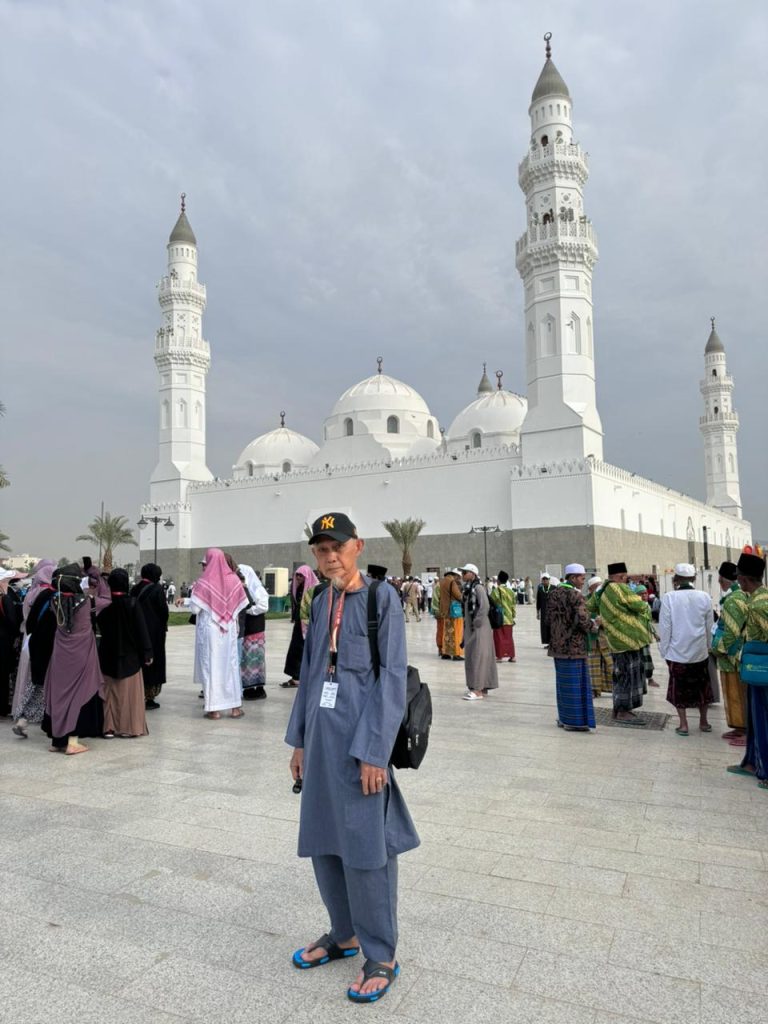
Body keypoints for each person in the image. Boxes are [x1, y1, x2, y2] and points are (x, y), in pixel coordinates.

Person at [286, 512, 419, 1004]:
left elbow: (392, 680)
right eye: (320, 551)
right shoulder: (321, 601)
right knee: (324, 841)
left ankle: (380, 954)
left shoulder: (381, 600)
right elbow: (310, 672)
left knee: (368, 853)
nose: (329, 558)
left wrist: (374, 753)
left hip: (362, 749)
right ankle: (343, 934)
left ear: (357, 546)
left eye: (336, 548)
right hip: (321, 745)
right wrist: (299, 741)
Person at [42, 564, 106, 754]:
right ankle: (72, 741)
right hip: (82, 654)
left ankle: (57, 740)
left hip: (60, 655)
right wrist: (96, 576)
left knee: (60, 695)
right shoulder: (88, 602)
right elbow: (108, 598)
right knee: (78, 695)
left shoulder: (55, 601)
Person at [588, 561, 651, 726]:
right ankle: (623, 712)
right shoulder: (620, 588)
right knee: (628, 677)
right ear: (622, 576)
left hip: (615, 641)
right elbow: (639, 605)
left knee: (620, 675)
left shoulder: (601, 590)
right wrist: (643, 605)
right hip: (629, 640)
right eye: (625, 577)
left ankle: (619, 709)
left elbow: (591, 606)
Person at [190, 549, 249, 720]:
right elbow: (241, 603)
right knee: (230, 666)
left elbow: (195, 608)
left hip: (210, 629)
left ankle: (213, 710)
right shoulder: (234, 579)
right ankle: (235, 708)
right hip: (228, 628)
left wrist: (191, 598)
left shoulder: (204, 581)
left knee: (211, 666)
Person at [659, 563, 714, 736]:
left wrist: (664, 651)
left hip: (677, 653)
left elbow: (665, 627)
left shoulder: (669, 598)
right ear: (694, 579)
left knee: (679, 689)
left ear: (675, 580)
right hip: (699, 652)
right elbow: (709, 626)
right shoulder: (704, 597)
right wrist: (709, 647)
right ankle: (703, 722)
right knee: (702, 687)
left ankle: (683, 725)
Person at [728, 552, 768, 790]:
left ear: (743, 580)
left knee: (762, 719)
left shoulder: (759, 605)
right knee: (755, 718)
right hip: (757, 669)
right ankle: (752, 762)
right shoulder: (761, 599)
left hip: (761, 669)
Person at [97, 569, 152, 738]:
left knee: (109, 693)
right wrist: (147, 653)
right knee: (129, 694)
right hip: (130, 656)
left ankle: (108, 727)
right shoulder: (133, 604)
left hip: (107, 655)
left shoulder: (104, 607)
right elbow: (142, 631)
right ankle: (129, 727)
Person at [547, 563, 596, 731]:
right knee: (576, 686)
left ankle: (564, 718)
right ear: (573, 578)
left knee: (563, 686)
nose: (583, 581)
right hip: (574, 648)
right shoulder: (575, 596)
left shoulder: (553, 594)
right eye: (582, 578)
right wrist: (595, 625)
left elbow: (547, 620)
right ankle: (575, 722)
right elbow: (583, 621)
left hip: (557, 648)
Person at [11, 560, 56, 737]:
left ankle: (22, 715)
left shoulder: (31, 592)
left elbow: (27, 620)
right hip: (45, 642)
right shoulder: (50, 595)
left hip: (29, 640)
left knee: (30, 678)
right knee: (42, 681)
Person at [712, 560, 748, 747]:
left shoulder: (734, 600)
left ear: (723, 580)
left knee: (737, 693)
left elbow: (731, 632)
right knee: (735, 692)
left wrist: (718, 649)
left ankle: (745, 729)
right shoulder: (739, 596)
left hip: (732, 656)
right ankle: (739, 727)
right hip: (737, 656)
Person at [130, 563, 169, 710]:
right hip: (154, 634)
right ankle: (149, 696)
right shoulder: (157, 589)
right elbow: (164, 612)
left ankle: (137, 692)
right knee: (153, 663)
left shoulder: (134, 588)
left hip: (137, 632)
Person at [460, 563, 498, 701]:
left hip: (480, 627)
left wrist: (477, 621)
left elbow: (485, 606)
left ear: (473, 574)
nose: (463, 575)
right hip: (473, 628)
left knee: (478, 657)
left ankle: (477, 690)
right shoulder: (468, 589)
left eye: (465, 572)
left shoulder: (478, 587)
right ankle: (482, 686)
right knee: (475, 656)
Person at [282, 565, 319, 687]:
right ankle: (295, 676)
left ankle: (300, 676)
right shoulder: (298, 588)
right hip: (299, 624)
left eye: (301, 575)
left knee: (303, 650)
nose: (298, 577)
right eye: (297, 575)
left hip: (309, 625)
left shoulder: (314, 589)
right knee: (296, 650)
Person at [238, 563, 269, 700]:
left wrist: (248, 609)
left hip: (256, 628)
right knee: (247, 661)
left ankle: (259, 688)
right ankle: (249, 688)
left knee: (256, 659)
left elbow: (263, 606)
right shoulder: (243, 589)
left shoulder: (257, 589)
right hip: (246, 628)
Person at [585, 575, 613, 697]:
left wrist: (604, 621)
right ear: (590, 589)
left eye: (600, 587)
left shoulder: (608, 600)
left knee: (611, 664)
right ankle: (594, 690)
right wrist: (593, 622)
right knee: (593, 665)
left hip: (605, 637)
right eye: (595, 587)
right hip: (591, 638)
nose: (598, 589)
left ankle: (615, 688)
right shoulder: (585, 600)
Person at [0, 569, 23, 717]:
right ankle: (2, 707)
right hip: (3, 642)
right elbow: (12, 622)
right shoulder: (5, 599)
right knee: (2, 675)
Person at [489, 570, 516, 662]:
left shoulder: (495, 591)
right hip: (509, 618)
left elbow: (491, 604)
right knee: (509, 638)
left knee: (498, 637)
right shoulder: (511, 592)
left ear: (498, 581)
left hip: (498, 618)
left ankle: (500, 656)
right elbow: (513, 605)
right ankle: (512, 656)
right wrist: (513, 616)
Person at [437, 569, 463, 660]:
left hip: (445, 611)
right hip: (453, 611)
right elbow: (458, 596)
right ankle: (456, 653)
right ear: (454, 575)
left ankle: (446, 652)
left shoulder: (442, 582)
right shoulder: (452, 582)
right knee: (457, 632)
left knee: (447, 633)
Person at [536, 573, 555, 646]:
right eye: (543, 579)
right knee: (544, 627)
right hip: (544, 611)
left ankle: (553, 642)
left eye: (546, 579)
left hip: (552, 611)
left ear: (549, 580)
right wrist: (537, 613)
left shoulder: (554, 588)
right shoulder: (540, 589)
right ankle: (548, 642)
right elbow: (538, 602)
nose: (545, 581)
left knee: (552, 626)